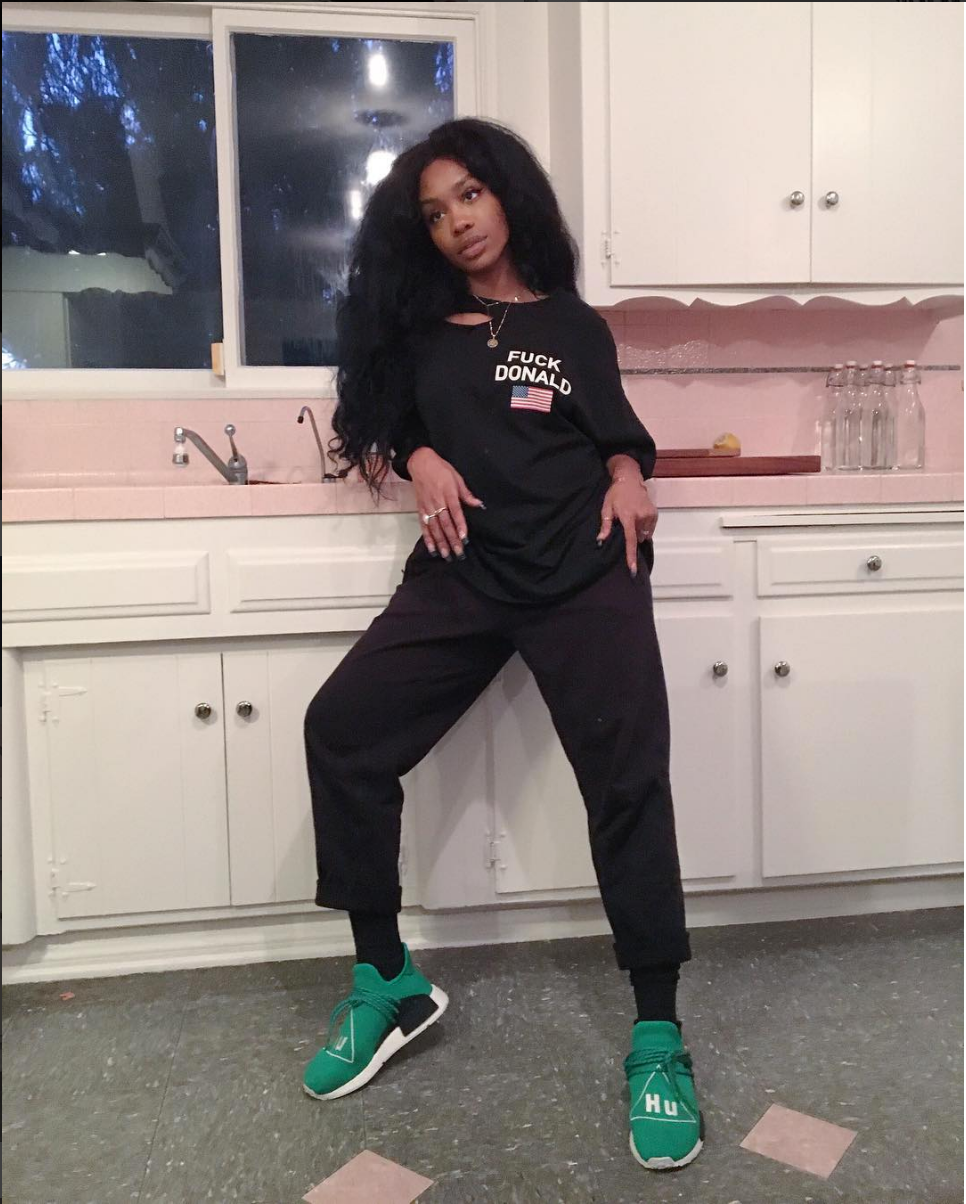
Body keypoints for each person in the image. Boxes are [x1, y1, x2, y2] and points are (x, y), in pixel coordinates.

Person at [302, 117, 704, 1172]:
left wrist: (630, 475)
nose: (458, 223)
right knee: (342, 731)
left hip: (584, 569)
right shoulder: (417, 329)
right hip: (464, 573)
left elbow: (617, 435)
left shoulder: (573, 325)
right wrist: (419, 456)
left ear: (508, 195)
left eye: (470, 196)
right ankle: (386, 977)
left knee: (627, 784)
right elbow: (387, 419)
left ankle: (657, 1032)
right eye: (435, 213)